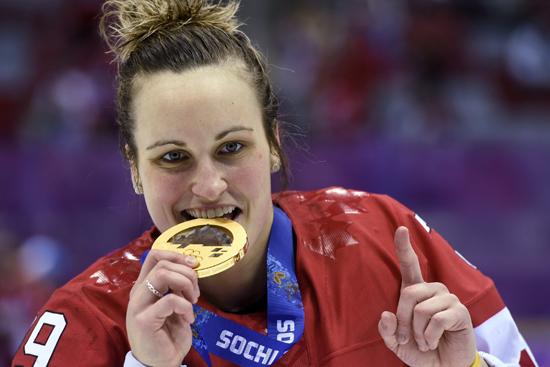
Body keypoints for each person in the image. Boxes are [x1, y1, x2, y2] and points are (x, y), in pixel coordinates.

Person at [12, 1, 539, 366]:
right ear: (133, 168)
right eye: (173, 157)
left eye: (231, 148)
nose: (209, 185)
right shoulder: (81, 323)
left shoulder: (381, 241)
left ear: (275, 145)